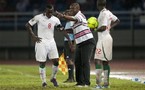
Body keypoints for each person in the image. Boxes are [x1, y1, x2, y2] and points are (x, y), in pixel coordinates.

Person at [25, 4, 72, 87]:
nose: (50, 14)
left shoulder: (55, 19)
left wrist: (69, 39)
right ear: (45, 11)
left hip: (51, 42)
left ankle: (53, 78)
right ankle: (44, 82)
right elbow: (28, 25)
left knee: (56, 62)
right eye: (49, 12)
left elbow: (61, 29)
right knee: (42, 62)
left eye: (52, 12)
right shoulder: (38, 17)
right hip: (41, 41)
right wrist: (33, 36)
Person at [55, 3, 96, 87]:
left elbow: (72, 18)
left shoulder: (80, 15)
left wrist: (62, 16)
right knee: (77, 62)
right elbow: (71, 31)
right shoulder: (74, 21)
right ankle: (80, 82)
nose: (71, 10)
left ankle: (87, 83)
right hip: (81, 43)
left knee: (85, 62)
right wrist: (61, 29)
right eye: (70, 8)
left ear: (78, 9)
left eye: (73, 8)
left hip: (88, 41)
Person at [94, 0, 120, 89]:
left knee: (97, 60)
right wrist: (110, 27)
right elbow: (117, 20)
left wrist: (94, 29)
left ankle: (98, 84)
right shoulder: (108, 12)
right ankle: (106, 84)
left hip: (103, 38)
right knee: (105, 62)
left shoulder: (104, 13)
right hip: (107, 37)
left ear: (98, 4)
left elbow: (103, 27)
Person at [63, 9, 75, 83]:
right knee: (68, 59)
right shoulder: (68, 22)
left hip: (70, 41)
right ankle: (71, 78)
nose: (66, 14)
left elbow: (73, 31)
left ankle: (71, 78)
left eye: (68, 13)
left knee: (69, 59)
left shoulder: (71, 21)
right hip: (67, 41)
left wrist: (71, 44)